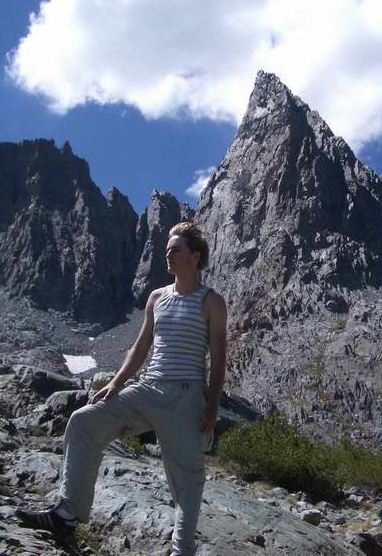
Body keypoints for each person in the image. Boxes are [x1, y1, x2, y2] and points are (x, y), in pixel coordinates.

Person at [17, 222, 227, 556]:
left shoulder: (212, 302)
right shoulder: (157, 297)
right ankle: (67, 514)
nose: (168, 255)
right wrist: (116, 383)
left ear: (195, 256)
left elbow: (218, 358)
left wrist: (211, 407)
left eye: (176, 250)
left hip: (187, 396)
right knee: (84, 422)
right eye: (166, 250)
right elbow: (140, 347)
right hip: (147, 388)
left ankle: (181, 550)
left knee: (187, 476)